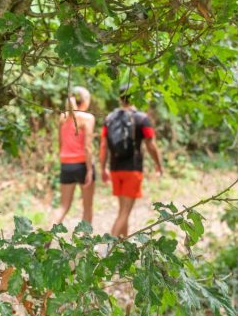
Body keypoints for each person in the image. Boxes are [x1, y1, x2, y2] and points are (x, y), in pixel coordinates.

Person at [100, 85, 163, 237]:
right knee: (125, 213)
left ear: (120, 98)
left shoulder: (109, 118)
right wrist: (158, 164)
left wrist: (103, 168)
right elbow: (150, 144)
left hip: (115, 169)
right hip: (133, 169)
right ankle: (108, 249)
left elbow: (103, 145)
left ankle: (123, 246)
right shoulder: (142, 118)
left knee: (123, 210)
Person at [53, 86, 96, 226]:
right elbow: (88, 147)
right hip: (83, 164)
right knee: (87, 207)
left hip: (66, 164)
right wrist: (89, 169)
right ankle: (85, 244)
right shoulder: (88, 118)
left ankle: (44, 240)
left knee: (63, 206)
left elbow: (60, 143)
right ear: (85, 101)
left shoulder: (63, 117)